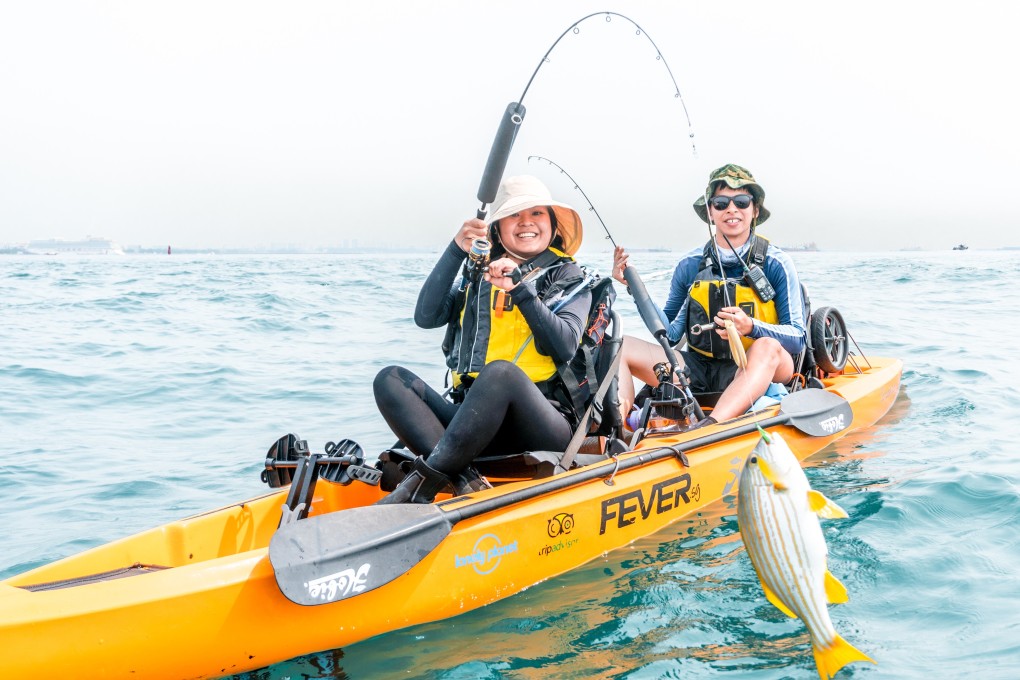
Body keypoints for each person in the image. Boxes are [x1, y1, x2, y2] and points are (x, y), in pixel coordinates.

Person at [374, 175, 591, 504]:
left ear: (551, 223)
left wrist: (519, 289)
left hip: (543, 425)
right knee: (389, 379)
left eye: (536, 214)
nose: (526, 223)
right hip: (471, 426)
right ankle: (463, 479)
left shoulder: (569, 276)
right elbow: (426, 317)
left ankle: (420, 490)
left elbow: (563, 345)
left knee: (499, 373)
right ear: (499, 228)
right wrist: (455, 251)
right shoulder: (478, 274)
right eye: (514, 215)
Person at [613, 164, 806, 428]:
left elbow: (797, 338)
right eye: (721, 202)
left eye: (741, 201)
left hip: (759, 366)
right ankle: (619, 432)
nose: (731, 209)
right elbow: (669, 335)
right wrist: (633, 287)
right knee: (620, 346)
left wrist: (751, 327)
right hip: (699, 370)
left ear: (755, 210)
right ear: (710, 212)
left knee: (767, 346)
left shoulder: (776, 263)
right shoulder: (690, 265)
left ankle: (711, 426)